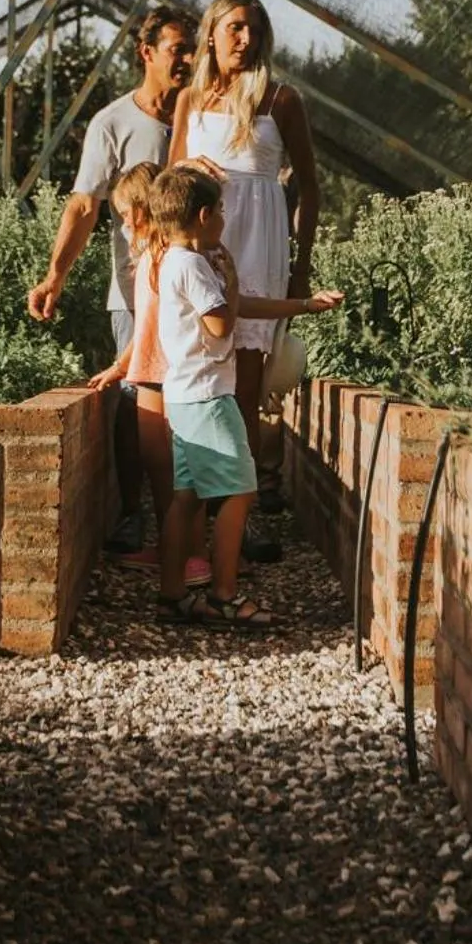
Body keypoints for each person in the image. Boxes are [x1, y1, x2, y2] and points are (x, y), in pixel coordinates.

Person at [27, 4, 196, 552]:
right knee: (132, 397)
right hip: (136, 292)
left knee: (200, 397)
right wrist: (56, 277)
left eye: (194, 49)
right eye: (178, 49)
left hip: (197, 289)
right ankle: (133, 512)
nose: (189, 60)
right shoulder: (114, 123)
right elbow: (83, 206)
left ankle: (202, 517)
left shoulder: (204, 117)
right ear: (147, 53)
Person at [149, 165, 341, 628]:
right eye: (220, 213)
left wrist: (303, 305)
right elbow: (222, 322)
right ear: (202, 215)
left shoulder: (177, 260)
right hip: (209, 398)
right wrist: (231, 277)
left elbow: (235, 307)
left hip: (186, 396)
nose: (224, 221)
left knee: (188, 497)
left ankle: (174, 594)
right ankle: (223, 595)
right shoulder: (193, 265)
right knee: (240, 492)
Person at [168, 0, 319, 513]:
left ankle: (241, 515)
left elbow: (311, 187)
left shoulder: (281, 100)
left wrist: (301, 268)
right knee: (200, 371)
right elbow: (168, 185)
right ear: (211, 33)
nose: (245, 39)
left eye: (254, 29)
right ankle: (198, 504)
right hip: (202, 243)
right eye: (234, 27)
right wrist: (190, 173)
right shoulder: (190, 101)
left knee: (246, 391)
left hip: (259, 243)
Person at [89, 164, 211, 584]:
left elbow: (151, 327)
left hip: (162, 371)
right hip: (154, 369)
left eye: (125, 212)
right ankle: (176, 549)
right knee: (167, 471)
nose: (123, 221)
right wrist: (121, 367)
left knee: (171, 472)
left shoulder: (160, 261)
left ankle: (187, 555)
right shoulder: (158, 258)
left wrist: (121, 366)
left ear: (142, 211)